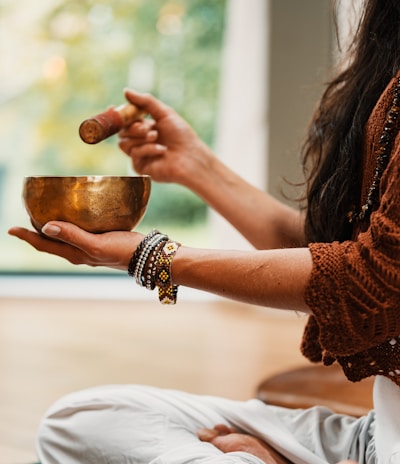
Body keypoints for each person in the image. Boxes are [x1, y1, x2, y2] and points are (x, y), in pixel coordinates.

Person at [8, 0, 400, 462]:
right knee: (81, 420)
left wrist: (150, 257)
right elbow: (330, 255)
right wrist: (198, 167)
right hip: (375, 435)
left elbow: (375, 281)